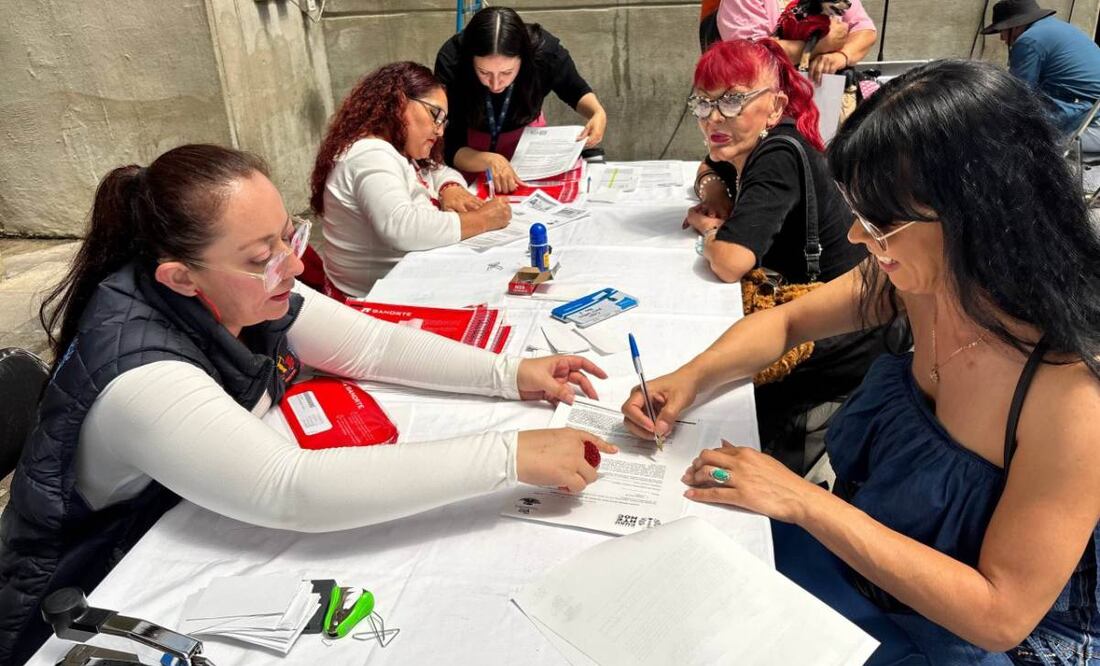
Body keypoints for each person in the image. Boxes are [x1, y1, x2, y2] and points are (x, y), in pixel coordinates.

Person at [0, 144, 617, 664]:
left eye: (288, 235)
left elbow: (369, 343)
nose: (293, 265)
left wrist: (512, 374)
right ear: (181, 278)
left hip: (177, 524)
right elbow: (289, 487)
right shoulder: (138, 376)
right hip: (85, 592)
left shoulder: (240, 290)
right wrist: (509, 455)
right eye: (261, 256)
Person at [624, 60, 1100, 663]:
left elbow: (999, 612)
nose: (855, 238)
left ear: (978, 213)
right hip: (863, 564)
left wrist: (802, 500)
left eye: (878, 222)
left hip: (966, 635)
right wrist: (687, 380)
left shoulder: (1071, 390)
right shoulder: (923, 280)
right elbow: (788, 321)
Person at [686, 38, 881, 473]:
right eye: (704, 102)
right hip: (818, 316)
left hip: (834, 338)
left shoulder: (776, 154)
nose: (714, 117)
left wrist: (710, 229)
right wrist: (714, 189)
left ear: (774, 107)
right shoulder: (754, 141)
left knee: (716, 410)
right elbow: (707, 166)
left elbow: (731, 261)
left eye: (734, 101)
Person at [310, 62, 512, 298]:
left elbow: (435, 171)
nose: (440, 131)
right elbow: (401, 227)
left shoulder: (393, 148)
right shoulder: (371, 155)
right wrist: (482, 220)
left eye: (443, 121)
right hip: (375, 301)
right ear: (399, 101)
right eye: (435, 114)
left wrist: (449, 187)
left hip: (402, 281)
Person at [434, 7, 607, 192]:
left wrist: (597, 112)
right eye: (484, 72)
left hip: (526, 144)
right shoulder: (452, 60)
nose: (495, 84)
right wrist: (489, 160)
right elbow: (450, 144)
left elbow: (574, 89)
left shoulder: (544, 51)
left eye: (506, 72)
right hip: (471, 152)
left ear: (524, 58)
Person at [982, 0, 1100, 150]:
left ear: (1016, 25)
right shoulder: (1058, 28)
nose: (1002, 38)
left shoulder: (1029, 41)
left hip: (1090, 120)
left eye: (1002, 31)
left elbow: (1017, 94)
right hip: (1088, 109)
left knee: (1011, 135)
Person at [716, 0, 877, 83]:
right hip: (768, 101)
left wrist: (841, 56)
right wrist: (820, 45)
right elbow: (753, 53)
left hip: (828, 96)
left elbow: (865, 29)